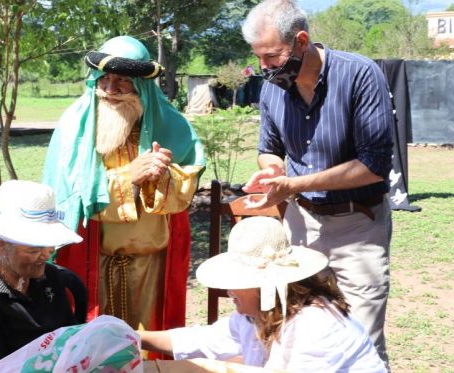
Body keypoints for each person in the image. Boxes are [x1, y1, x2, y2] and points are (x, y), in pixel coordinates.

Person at [239, 0, 394, 366]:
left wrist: (293, 184)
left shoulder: (359, 74)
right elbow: (269, 149)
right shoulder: (272, 88)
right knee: (295, 331)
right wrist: (273, 171)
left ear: (302, 41)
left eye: (272, 56)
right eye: (258, 57)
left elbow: (374, 166)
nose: (265, 67)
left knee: (360, 339)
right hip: (299, 225)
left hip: (358, 226)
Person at [42, 36, 205, 334]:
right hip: (92, 263)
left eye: (122, 81)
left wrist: (162, 175)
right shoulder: (73, 127)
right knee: (92, 346)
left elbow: (186, 186)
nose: (110, 90)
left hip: (153, 267)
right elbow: (69, 195)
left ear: (142, 86)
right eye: (104, 78)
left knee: (149, 347)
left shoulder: (173, 126)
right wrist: (129, 176)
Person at [139, 217, 386, 371]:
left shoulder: (315, 323)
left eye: (237, 281)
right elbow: (204, 339)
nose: (229, 290)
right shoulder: (257, 315)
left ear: (265, 285)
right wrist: (136, 337)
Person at [0, 180, 87, 373]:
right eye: (35, 248)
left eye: (50, 245)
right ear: (2, 242)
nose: (47, 255)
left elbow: (72, 340)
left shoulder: (51, 277)